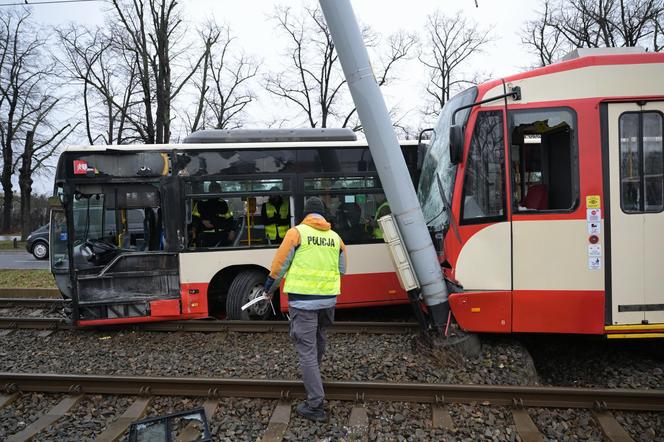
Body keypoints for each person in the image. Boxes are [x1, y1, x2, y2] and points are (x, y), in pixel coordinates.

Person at [263, 197, 347, 422]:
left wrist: (269, 288)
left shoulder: (296, 233)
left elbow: (281, 264)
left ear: (307, 214)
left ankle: (315, 404)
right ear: (323, 215)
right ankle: (314, 376)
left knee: (307, 350)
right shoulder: (335, 238)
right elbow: (343, 269)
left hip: (304, 302)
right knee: (319, 339)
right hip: (328, 301)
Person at [192, 182, 236, 246]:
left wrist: (232, 231)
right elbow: (194, 219)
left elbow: (230, 219)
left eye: (219, 190)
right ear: (211, 190)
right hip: (205, 237)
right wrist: (202, 221)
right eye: (217, 190)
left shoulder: (223, 204)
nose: (219, 191)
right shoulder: (201, 203)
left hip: (221, 237)